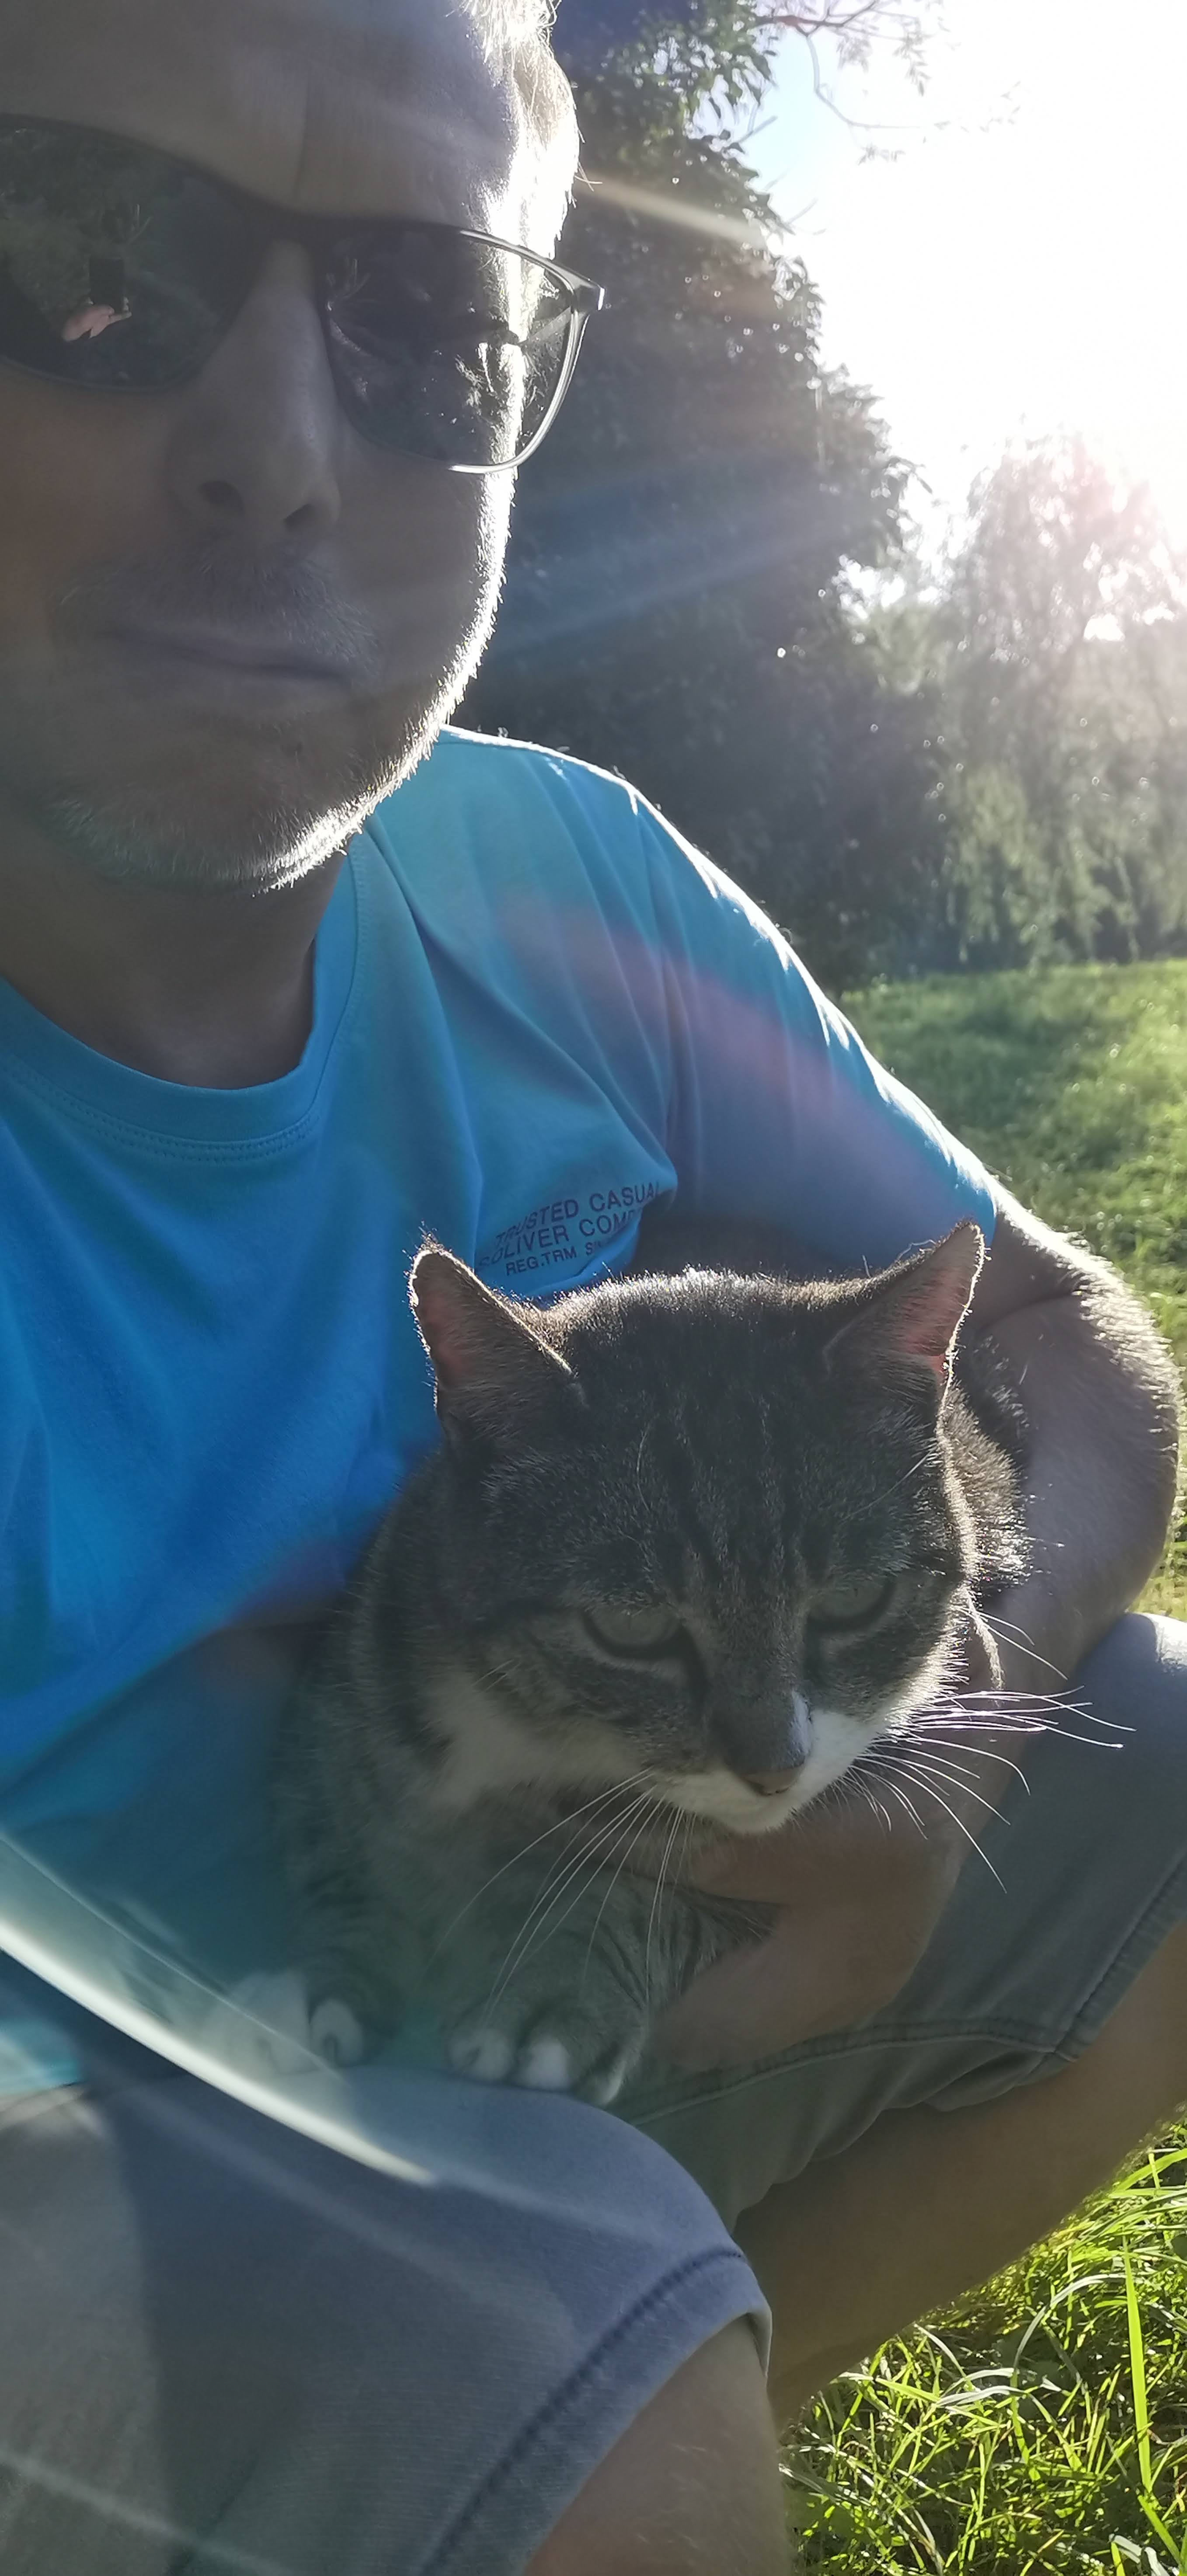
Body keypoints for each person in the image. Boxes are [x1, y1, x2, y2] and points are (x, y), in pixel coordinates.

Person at [0, 3, 1184, 2569]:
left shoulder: (559, 871)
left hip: (572, 1953)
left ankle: (647, 2434)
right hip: (68, 2153)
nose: (275, 444)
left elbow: (1065, 1335)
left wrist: (946, 1734)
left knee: (1176, 1779)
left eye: (427, 327)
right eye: (94, 261)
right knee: (551, 2327)